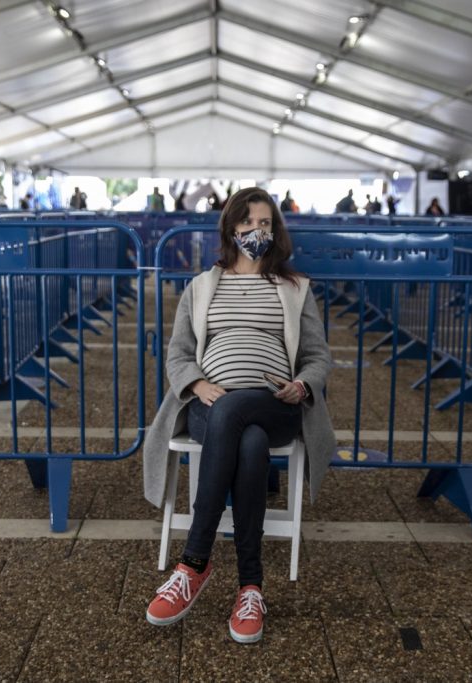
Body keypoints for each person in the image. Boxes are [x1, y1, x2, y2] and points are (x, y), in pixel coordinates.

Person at [143, 187, 335, 644]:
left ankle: (193, 563)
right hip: (208, 407)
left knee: (237, 412)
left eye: (265, 223)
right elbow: (178, 354)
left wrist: (301, 385)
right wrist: (197, 384)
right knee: (248, 440)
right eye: (247, 222)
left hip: (276, 405)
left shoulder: (295, 288)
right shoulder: (201, 286)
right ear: (231, 228)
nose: (256, 231)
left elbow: (318, 357)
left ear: (276, 230)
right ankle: (251, 586)